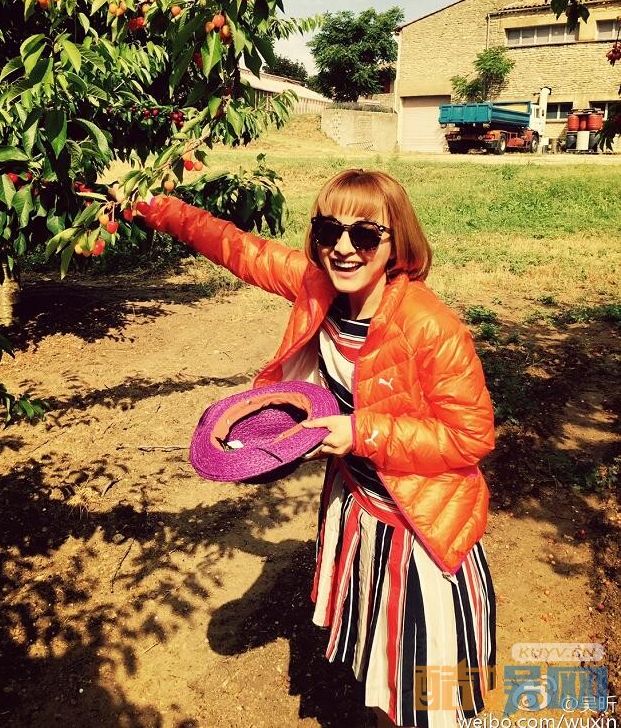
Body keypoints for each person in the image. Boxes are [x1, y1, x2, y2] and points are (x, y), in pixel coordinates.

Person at [137, 168, 496, 728]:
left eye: (365, 234)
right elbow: (239, 249)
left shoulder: (430, 327)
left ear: (396, 241)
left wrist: (360, 433)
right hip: (359, 504)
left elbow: (471, 437)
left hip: (421, 523)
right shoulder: (319, 286)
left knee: (430, 694)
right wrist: (150, 205)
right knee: (384, 668)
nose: (344, 248)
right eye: (329, 231)